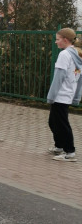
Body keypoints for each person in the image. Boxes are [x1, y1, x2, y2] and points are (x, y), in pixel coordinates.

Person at [47, 28, 82, 162]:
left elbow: (58, 78)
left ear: (65, 40)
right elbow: (80, 77)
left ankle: (70, 152)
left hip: (60, 96)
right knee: (53, 122)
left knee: (62, 124)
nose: (56, 42)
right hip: (67, 94)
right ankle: (59, 146)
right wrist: (77, 96)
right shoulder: (77, 54)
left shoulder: (64, 55)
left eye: (57, 39)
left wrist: (51, 96)